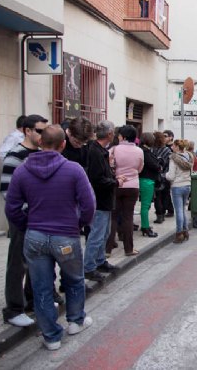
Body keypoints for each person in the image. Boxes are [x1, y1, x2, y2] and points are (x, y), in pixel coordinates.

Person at [5, 125, 96, 350]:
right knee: (74, 280)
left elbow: (12, 207)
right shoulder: (73, 170)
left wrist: (27, 225)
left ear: (39, 143)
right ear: (63, 144)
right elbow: (89, 205)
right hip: (66, 236)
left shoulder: (22, 171)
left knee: (41, 286)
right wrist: (78, 224)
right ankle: (76, 321)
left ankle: (51, 336)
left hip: (35, 236)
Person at [0, 114, 48, 327]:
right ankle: (13, 309)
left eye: (45, 131)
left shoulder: (41, 154)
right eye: (39, 131)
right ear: (27, 131)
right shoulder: (15, 155)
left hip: (39, 218)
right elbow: (7, 191)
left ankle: (31, 301)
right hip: (22, 217)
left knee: (36, 261)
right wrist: (27, 211)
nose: (42, 135)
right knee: (17, 262)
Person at [84, 121, 118, 282]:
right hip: (98, 200)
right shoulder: (95, 152)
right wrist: (116, 182)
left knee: (103, 233)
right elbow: (97, 179)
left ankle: (99, 261)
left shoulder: (100, 151)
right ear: (110, 133)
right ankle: (89, 266)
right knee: (97, 234)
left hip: (104, 200)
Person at [107, 125, 143, 257]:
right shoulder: (139, 151)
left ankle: (107, 249)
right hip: (133, 185)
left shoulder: (114, 149)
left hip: (116, 184)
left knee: (113, 217)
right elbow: (140, 168)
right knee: (128, 217)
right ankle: (129, 248)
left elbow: (109, 166)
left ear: (123, 136)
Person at [167, 139, 193, 243]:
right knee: (183, 209)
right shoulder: (189, 157)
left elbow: (171, 176)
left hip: (177, 186)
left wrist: (165, 175)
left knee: (178, 211)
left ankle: (179, 234)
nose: (172, 147)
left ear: (177, 147)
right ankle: (185, 231)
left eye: (173, 145)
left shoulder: (173, 159)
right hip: (187, 185)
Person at [138, 132, 161, 238]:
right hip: (146, 180)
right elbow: (154, 165)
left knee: (145, 205)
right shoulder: (145, 152)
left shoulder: (144, 150)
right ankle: (145, 227)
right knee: (145, 205)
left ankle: (145, 226)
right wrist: (159, 165)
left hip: (145, 180)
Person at [152, 131, 172, 224]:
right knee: (165, 195)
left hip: (155, 176)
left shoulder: (152, 150)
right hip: (165, 175)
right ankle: (163, 213)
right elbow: (169, 163)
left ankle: (159, 215)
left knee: (157, 197)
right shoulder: (167, 150)